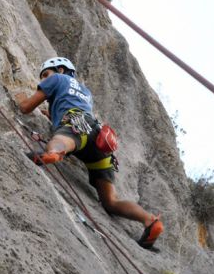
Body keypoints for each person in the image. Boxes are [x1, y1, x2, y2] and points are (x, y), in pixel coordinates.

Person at [15, 56, 164, 249]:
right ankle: (149, 220)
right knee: (110, 201)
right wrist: (51, 114)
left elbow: (27, 107)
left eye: (46, 74)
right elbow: (66, 107)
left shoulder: (57, 79)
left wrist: (20, 100)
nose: (44, 79)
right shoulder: (84, 91)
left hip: (78, 126)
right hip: (100, 139)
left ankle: (53, 153)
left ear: (60, 70)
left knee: (64, 140)